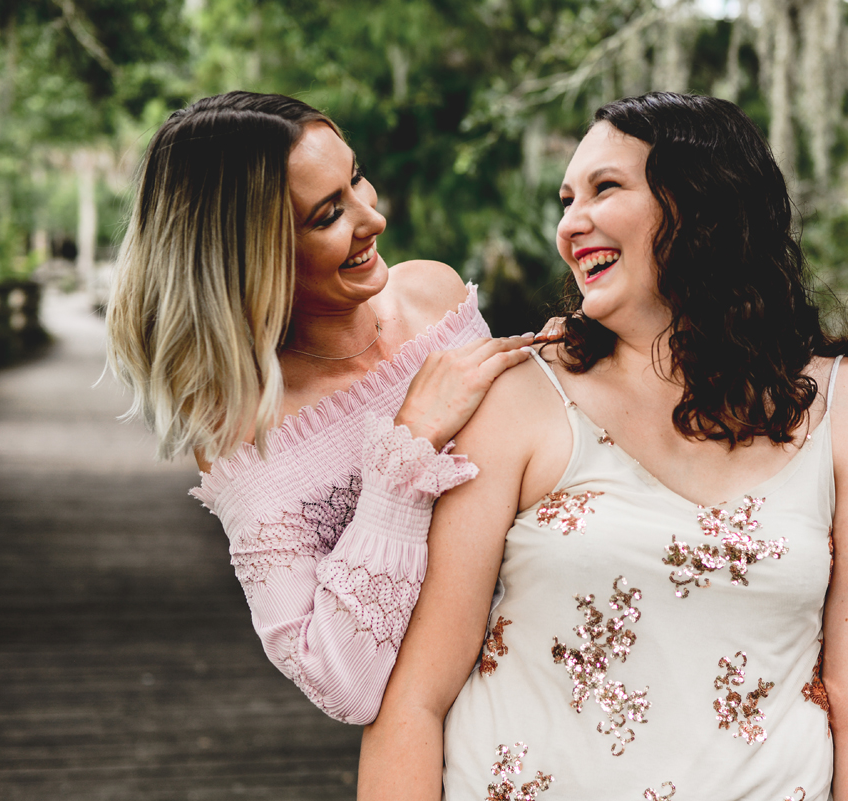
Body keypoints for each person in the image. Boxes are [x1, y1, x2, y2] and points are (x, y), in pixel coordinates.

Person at [358, 92, 848, 800]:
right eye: (566, 199)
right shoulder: (520, 398)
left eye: (605, 188)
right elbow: (414, 696)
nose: (571, 225)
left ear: (699, 205)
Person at [104, 91, 537, 724]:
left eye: (357, 177)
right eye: (329, 214)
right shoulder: (248, 434)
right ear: (251, 258)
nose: (373, 218)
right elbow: (342, 683)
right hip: (476, 723)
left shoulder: (436, 294)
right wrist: (407, 443)